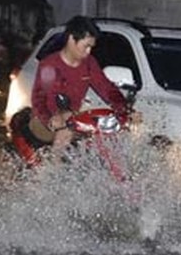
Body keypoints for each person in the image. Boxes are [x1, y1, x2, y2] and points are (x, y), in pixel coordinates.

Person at [28, 15, 131, 155]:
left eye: (91, 47)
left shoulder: (89, 63)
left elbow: (106, 88)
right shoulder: (49, 65)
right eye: (86, 46)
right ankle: (52, 174)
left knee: (106, 136)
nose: (89, 51)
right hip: (43, 121)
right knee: (65, 134)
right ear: (71, 39)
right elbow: (38, 99)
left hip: (73, 119)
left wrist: (124, 109)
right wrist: (51, 120)